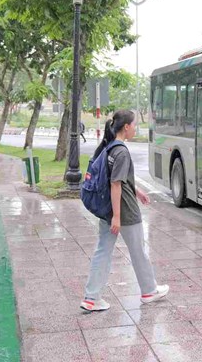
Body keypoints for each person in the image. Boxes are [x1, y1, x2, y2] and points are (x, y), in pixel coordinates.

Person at [81, 110, 169, 312]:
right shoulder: (121, 151)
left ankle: (91, 298)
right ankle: (149, 291)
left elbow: (118, 179)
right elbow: (115, 184)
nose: (135, 128)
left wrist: (137, 191)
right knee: (138, 251)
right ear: (126, 127)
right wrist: (118, 218)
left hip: (107, 210)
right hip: (124, 211)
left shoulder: (109, 147)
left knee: (102, 252)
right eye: (135, 124)